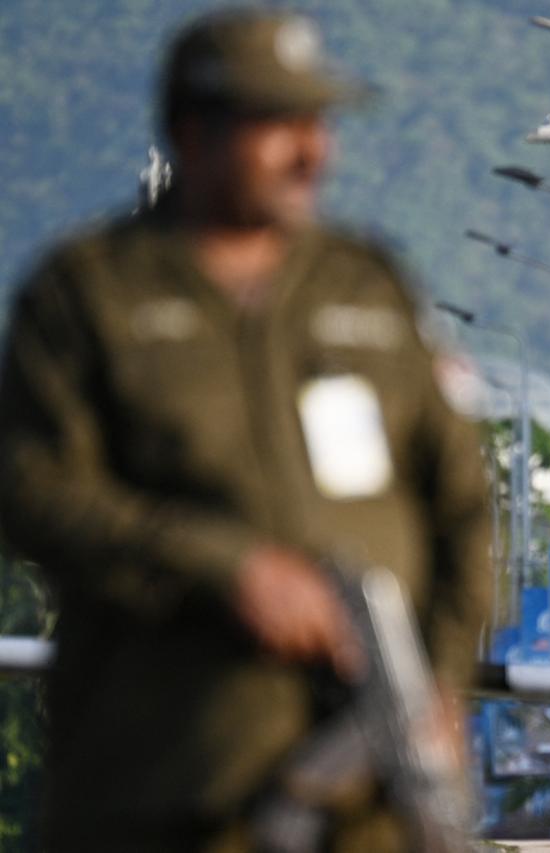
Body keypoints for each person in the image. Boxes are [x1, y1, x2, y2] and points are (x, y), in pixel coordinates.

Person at [0, 8, 491, 851]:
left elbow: (462, 501)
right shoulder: (88, 294)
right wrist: (226, 568)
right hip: (167, 781)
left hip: (369, 798)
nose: (313, 153)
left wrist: (441, 676)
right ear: (195, 134)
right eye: (280, 126)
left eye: (319, 125)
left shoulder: (365, 286)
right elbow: (32, 488)